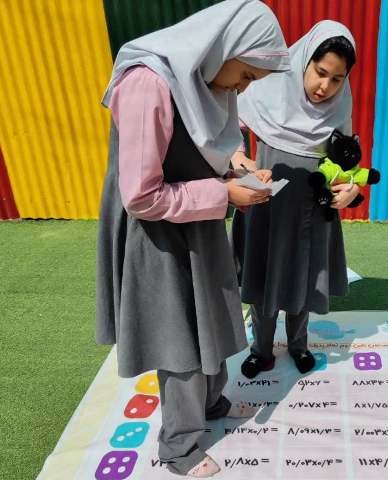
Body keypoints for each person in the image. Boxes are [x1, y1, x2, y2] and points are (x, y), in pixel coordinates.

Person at [95, 0, 289, 476]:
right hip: (156, 233)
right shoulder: (148, 83)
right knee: (178, 335)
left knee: (212, 318)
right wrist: (224, 194)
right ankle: (178, 447)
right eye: (246, 75)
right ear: (224, 46)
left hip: (197, 221)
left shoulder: (204, 79)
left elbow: (206, 149)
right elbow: (140, 196)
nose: (242, 88)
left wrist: (238, 172)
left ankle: (210, 405)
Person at [230, 21, 359, 378]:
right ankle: (261, 350)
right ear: (304, 61)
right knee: (263, 279)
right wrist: (239, 160)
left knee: (303, 279)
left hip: (310, 213)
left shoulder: (337, 109)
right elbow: (230, 126)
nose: (325, 87)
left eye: (337, 79)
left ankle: (299, 345)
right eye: (320, 72)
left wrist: (350, 187)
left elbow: (345, 161)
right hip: (265, 207)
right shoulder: (267, 88)